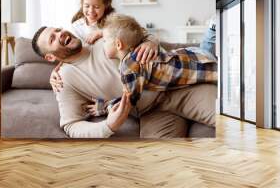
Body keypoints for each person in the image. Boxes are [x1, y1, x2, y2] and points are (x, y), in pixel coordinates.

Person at [32, 26, 160, 138]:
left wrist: (150, 41)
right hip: (154, 112)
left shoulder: (100, 38)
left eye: (58, 30)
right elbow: (71, 126)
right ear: (50, 57)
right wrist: (108, 126)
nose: (60, 34)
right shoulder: (63, 79)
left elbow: (139, 31)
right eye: (52, 39)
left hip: (175, 81)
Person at [84, 13, 217, 117]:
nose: (103, 44)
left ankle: (213, 29)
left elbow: (129, 101)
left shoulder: (130, 68)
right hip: (193, 54)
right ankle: (213, 28)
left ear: (118, 44)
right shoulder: (137, 49)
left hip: (199, 66)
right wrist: (103, 32)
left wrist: (104, 107)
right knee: (205, 50)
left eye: (105, 41)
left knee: (218, 72)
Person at [49, 0, 158, 93]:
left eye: (96, 7)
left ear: (106, 5)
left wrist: (103, 32)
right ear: (81, 4)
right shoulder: (77, 27)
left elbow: (140, 32)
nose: (91, 11)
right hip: (95, 73)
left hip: (119, 67)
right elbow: (69, 53)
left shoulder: (113, 20)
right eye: (86, 6)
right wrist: (56, 70)